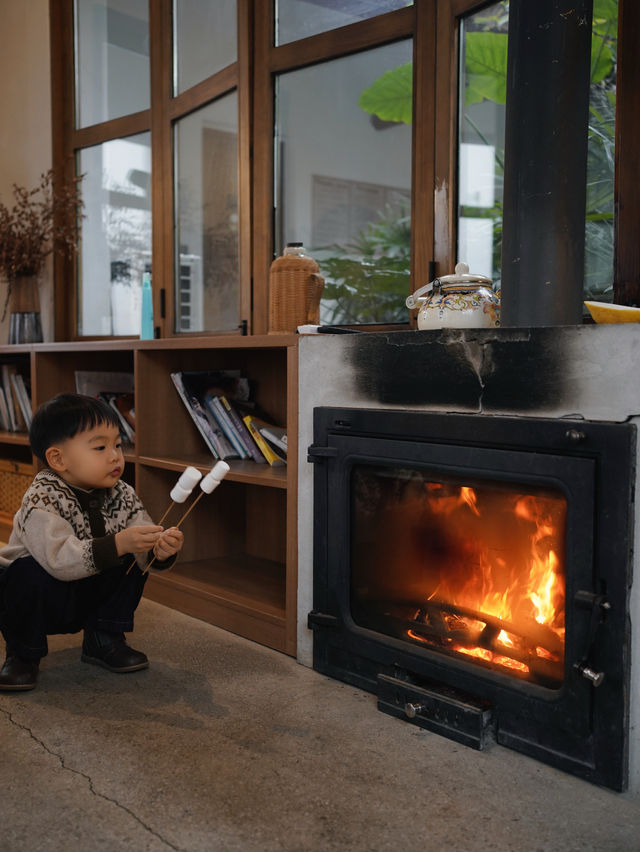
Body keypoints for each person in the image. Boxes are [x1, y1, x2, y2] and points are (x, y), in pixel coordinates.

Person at [0, 393, 184, 691]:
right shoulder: (41, 498)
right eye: (100, 447)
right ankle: (22, 654)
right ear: (58, 459)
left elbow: (141, 533)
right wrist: (118, 543)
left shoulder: (122, 493)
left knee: (130, 555)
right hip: (42, 592)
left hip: (86, 586)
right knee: (26, 573)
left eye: (117, 445)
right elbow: (58, 560)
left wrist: (159, 549)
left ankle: (103, 637)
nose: (115, 456)